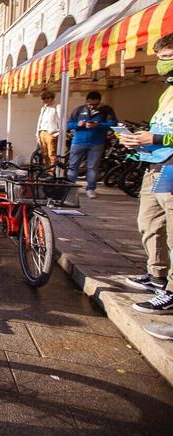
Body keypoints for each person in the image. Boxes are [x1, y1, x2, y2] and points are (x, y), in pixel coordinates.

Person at [120, 33, 173, 317]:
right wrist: (136, 139)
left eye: (167, 57)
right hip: (155, 164)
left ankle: (171, 292)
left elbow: (164, 135)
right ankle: (157, 276)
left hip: (172, 166)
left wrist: (156, 138)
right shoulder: (167, 92)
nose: (162, 63)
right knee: (149, 222)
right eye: (161, 58)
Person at [66, 91, 117, 199]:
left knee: (93, 167)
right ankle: (70, 188)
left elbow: (113, 124)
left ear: (99, 102)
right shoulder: (79, 109)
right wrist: (78, 125)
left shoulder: (106, 110)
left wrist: (98, 125)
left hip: (96, 143)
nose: (92, 106)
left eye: (95, 104)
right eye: (90, 104)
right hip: (78, 142)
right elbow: (69, 124)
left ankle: (90, 189)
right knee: (73, 165)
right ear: (86, 101)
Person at [36, 91, 61, 169]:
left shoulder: (57, 106)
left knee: (52, 154)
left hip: (51, 133)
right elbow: (40, 121)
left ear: (52, 98)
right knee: (44, 154)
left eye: (48, 98)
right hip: (42, 132)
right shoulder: (43, 108)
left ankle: (52, 173)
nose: (46, 100)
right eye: (44, 98)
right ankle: (48, 170)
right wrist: (37, 133)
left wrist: (57, 132)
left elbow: (62, 120)